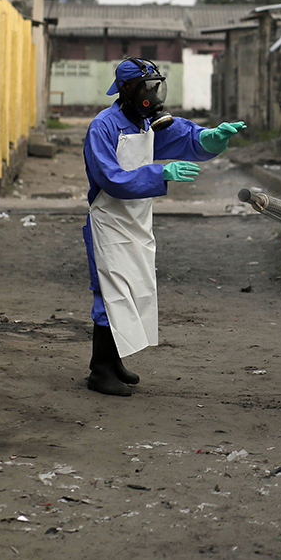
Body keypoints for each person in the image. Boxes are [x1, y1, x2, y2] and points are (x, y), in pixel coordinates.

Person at [82, 57, 246, 397]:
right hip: (110, 221)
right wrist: (161, 174)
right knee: (111, 293)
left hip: (137, 220)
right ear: (127, 89)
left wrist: (213, 137)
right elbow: (109, 178)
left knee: (135, 290)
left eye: (156, 87)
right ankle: (99, 370)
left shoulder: (148, 123)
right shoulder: (104, 126)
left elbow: (188, 139)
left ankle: (114, 362)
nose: (153, 96)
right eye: (146, 88)